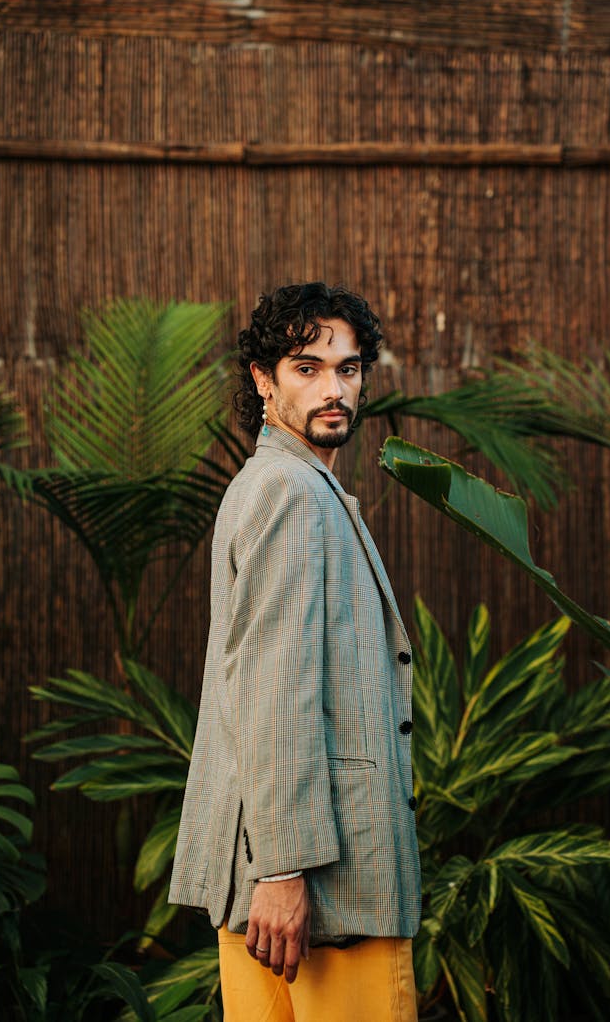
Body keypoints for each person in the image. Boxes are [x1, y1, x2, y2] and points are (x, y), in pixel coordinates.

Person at [169, 282, 422, 1022]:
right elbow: (274, 688)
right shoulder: (290, 493)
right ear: (262, 380)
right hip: (318, 887)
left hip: (280, 882)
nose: (334, 388)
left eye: (348, 368)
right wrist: (282, 872)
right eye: (306, 368)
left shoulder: (277, 483)